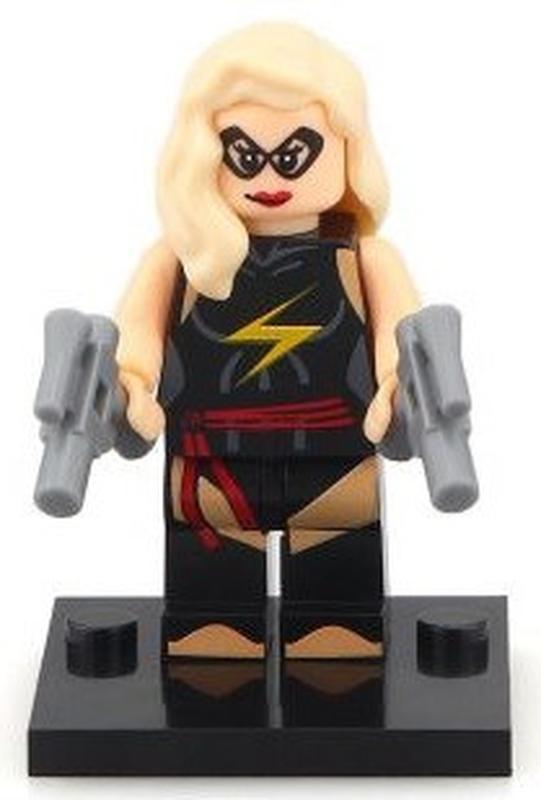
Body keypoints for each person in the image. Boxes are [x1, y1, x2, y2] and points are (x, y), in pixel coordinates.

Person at [115, 23, 420, 659]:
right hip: (210, 455)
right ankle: (214, 641)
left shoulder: (365, 257)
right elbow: (136, 332)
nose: (271, 175)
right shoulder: (181, 260)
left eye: (296, 153)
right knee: (212, 604)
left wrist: (399, 383)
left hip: (338, 448)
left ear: (345, 146)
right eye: (244, 155)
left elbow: (400, 335)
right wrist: (131, 382)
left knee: (337, 588)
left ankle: (338, 638)